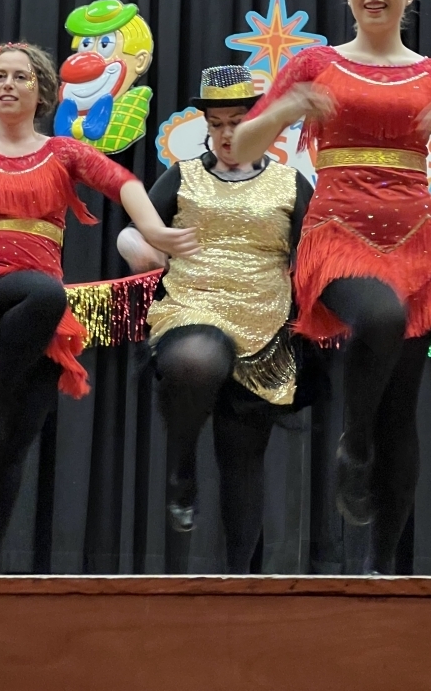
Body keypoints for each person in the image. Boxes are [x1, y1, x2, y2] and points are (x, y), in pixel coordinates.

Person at [229, 0, 431, 574]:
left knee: (401, 411)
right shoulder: (315, 64)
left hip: (417, 241)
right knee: (380, 316)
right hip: (338, 233)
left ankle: (383, 572)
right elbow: (242, 145)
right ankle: (353, 444)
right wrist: (286, 110)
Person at [0, 42, 194, 573]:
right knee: (49, 293)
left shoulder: (62, 153)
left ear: (43, 92)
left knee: (11, 447)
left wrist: (155, 229)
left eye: (21, 77)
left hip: (34, 325)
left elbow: (123, 183)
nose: (9, 85)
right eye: (0, 76)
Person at [117, 65, 315, 573]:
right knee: (196, 359)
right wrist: (137, 245)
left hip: (264, 321)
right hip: (193, 304)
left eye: (237, 122)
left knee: (243, 458)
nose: (227, 135)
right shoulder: (182, 176)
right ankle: (181, 468)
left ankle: (239, 586)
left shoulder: (291, 183)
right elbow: (137, 230)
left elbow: (315, 251)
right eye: (217, 123)